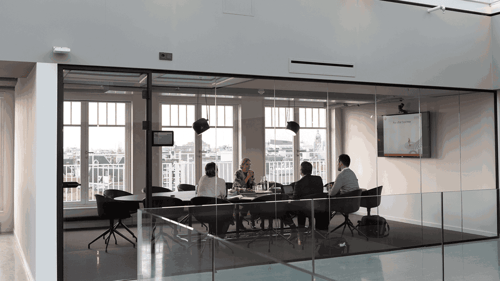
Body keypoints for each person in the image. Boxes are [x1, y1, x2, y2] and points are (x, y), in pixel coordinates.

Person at [292, 162, 324, 232]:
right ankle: (313, 230)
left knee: (299, 207)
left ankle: (301, 232)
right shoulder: (318, 179)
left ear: (301, 171)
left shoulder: (299, 183)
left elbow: (295, 199)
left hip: (305, 210)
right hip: (318, 208)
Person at [231, 158, 256, 230]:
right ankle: (239, 222)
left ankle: (252, 222)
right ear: (242, 165)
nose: (249, 166)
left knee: (256, 203)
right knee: (247, 205)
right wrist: (248, 177)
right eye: (247, 164)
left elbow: (253, 185)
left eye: (249, 165)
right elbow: (239, 185)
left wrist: (251, 180)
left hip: (249, 194)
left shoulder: (251, 172)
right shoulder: (238, 173)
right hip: (239, 194)